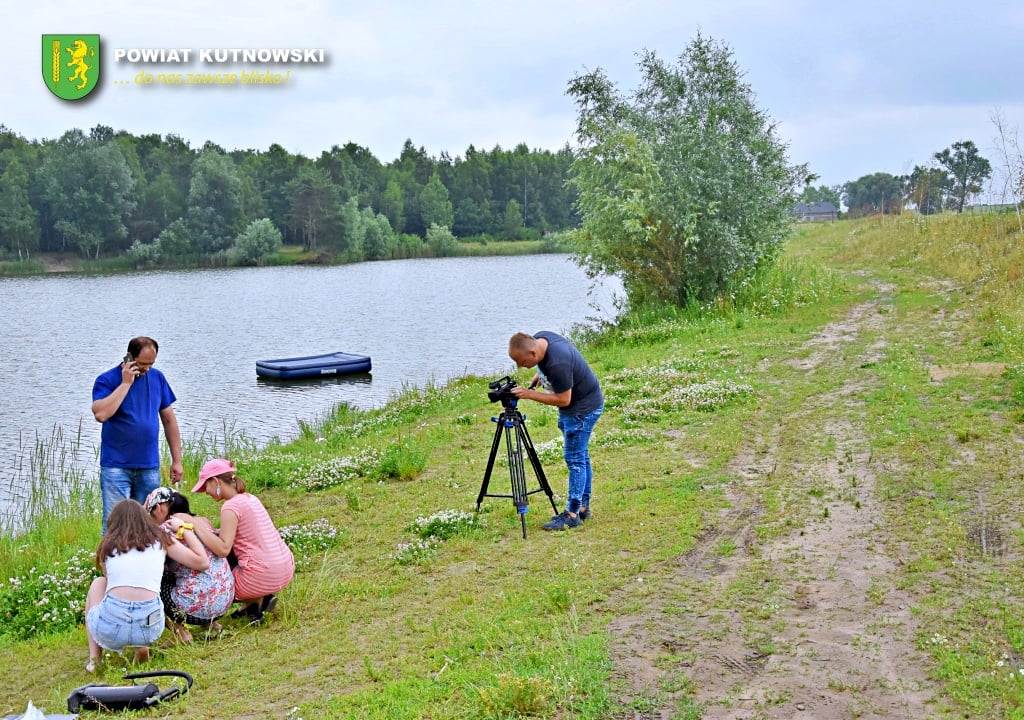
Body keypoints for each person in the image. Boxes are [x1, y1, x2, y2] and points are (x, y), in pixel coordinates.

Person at [84, 498, 208, 673]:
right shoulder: (161, 540)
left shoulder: (108, 546)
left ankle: (95, 661)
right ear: (145, 519)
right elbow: (202, 562)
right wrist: (184, 529)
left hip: (111, 630)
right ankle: (141, 643)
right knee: (150, 590)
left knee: (99, 583)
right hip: (151, 628)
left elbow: (111, 583)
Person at [508, 331, 604, 531]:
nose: (519, 366)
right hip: (579, 407)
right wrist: (538, 377)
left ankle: (572, 514)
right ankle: (583, 508)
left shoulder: (558, 363)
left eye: (521, 361)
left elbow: (563, 399)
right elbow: (546, 367)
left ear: (533, 353)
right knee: (581, 456)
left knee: (575, 459)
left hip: (582, 410)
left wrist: (528, 394)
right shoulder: (542, 339)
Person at [92, 336, 184, 534]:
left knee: (149, 524)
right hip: (116, 466)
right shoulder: (107, 380)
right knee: (116, 524)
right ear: (129, 358)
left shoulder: (157, 378)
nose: (147, 369)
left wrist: (177, 460)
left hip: (148, 466)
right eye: (143, 364)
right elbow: (101, 414)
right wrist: (125, 384)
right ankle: (111, 564)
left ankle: (145, 563)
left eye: (151, 364)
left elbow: (169, 420)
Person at [190, 458, 295, 622]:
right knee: (235, 552)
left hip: (262, 577)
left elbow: (223, 549)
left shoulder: (230, 507)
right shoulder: (250, 498)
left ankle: (258, 598)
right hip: (284, 570)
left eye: (206, 486)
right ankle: (255, 604)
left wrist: (195, 525)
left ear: (216, 481)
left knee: (214, 573)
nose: (206, 492)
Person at [145, 487, 235, 643]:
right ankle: (212, 624)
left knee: (156, 580)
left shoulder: (165, 533)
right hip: (225, 601)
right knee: (199, 576)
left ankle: (180, 632)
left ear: (159, 509)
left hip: (197, 610)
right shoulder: (201, 522)